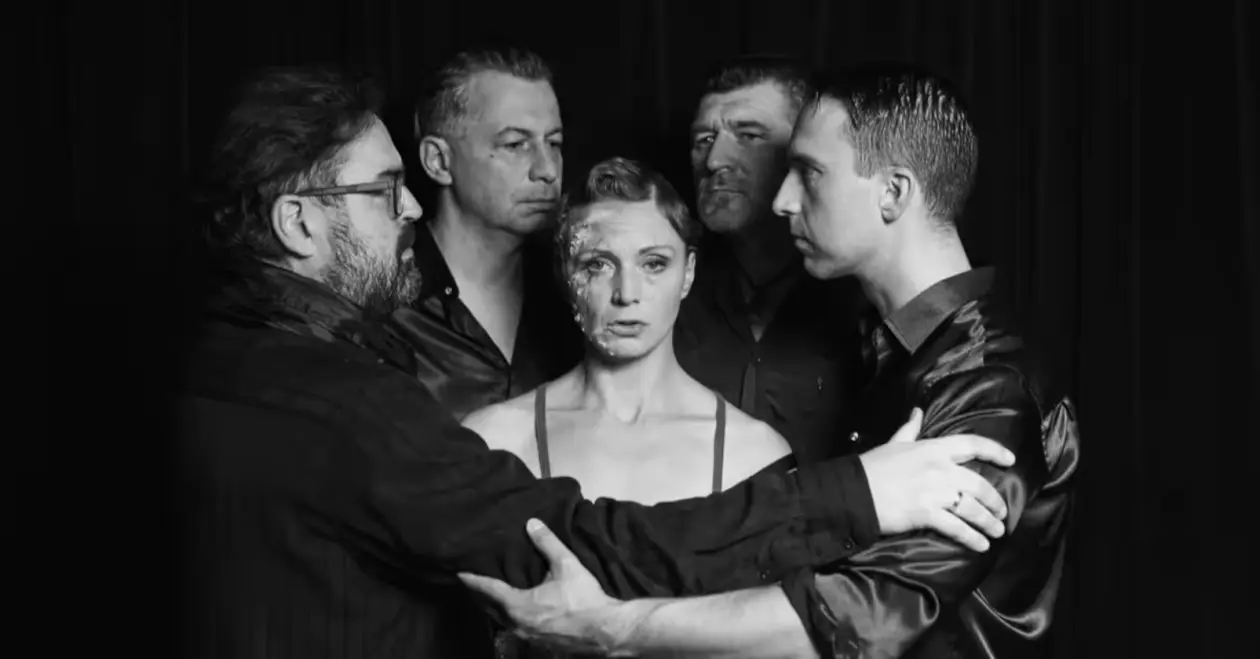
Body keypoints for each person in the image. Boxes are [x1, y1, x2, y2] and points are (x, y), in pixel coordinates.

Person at [176, 63, 1018, 658]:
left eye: (653, 262)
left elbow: (861, 618)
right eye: (381, 190)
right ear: (296, 222)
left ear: (687, 274)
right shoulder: (346, 399)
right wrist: (856, 492)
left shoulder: (235, 363)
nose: (408, 211)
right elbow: (576, 544)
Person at [458, 63, 1081, 659]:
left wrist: (608, 627)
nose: (781, 199)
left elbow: (856, 617)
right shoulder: (891, 356)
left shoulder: (989, 386)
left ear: (892, 193)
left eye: (808, 173)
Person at [465, 156, 794, 507]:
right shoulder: (494, 442)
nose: (626, 293)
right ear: (565, 275)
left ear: (688, 273)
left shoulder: (753, 454)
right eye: (597, 264)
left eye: (653, 264)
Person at [676, 55, 869, 464]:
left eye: (749, 136)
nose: (714, 161)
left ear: (800, 151)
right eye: (703, 140)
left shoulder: (862, 300)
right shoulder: (664, 291)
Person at [390, 47, 583, 419]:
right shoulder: (383, 297)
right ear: (438, 161)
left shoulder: (577, 291)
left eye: (554, 143)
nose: (547, 170)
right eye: (515, 145)